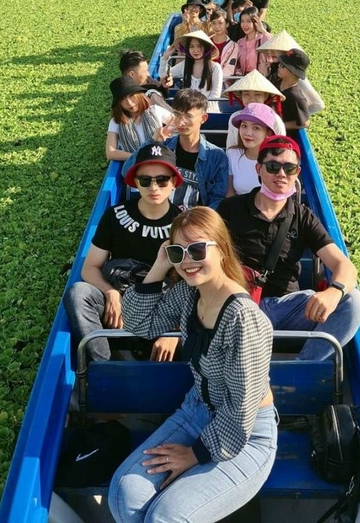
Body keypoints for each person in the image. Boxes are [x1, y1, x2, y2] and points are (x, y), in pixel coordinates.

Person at [108, 207, 276, 523]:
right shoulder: (190, 293)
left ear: (222, 250)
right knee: (124, 496)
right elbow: (140, 323)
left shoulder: (243, 319)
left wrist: (194, 454)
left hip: (246, 434)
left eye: (197, 249)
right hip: (196, 411)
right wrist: (159, 266)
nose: (187, 260)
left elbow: (241, 409)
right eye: (177, 252)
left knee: (164, 518)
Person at [217, 136, 360, 361]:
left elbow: (343, 265)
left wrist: (334, 292)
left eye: (289, 168)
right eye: (273, 166)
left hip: (289, 307)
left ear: (297, 172)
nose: (281, 174)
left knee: (353, 302)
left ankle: (303, 366)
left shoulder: (303, 216)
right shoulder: (231, 208)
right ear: (259, 169)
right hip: (241, 304)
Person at [63, 143, 184, 364]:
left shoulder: (182, 224)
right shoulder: (115, 216)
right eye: (145, 180)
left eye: (162, 180)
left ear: (174, 182)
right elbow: (89, 268)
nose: (153, 187)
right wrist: (110, 292)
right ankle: (105, 365)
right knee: (78, 293)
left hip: (163, 305)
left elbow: (193, 283)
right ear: (136, 182)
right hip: (120, 294)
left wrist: (175, 331)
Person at [148, 89, 229, 209]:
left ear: (203, 118)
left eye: (188, 116)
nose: (181, 122)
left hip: (195, 221)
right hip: (162, 215)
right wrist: (152, 142)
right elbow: (127, 170)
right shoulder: (163, 147)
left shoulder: (216, 156)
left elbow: (217, 199)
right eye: (177, 114)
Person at [106, 77, 173, 162]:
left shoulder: (156, 110)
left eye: (131, 96)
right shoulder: (116, 122)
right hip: (136, 167)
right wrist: (140, 157)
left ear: (139, 94)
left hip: (161, 160)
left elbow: (178, 124)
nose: (129, 102)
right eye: (122, 99)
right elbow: (110, 153)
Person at [159, 31, 223, 111]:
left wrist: (197, 112)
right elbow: (163, 75)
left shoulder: (215, 68)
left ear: (206, 47)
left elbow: (215, 97)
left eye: (199, 46)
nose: (195, 50)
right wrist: (165, 57)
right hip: (187, 112)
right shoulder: (185, 65)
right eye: (191, 46)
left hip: (209, 112)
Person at [226, 103, 280, 196]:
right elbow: (229, 193)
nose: (248, 133)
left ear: (268, 133)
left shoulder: (277, 159)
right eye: (244, 126)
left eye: (256, 128)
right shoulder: (232, 154)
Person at [223, 70, 286, 147]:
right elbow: (231, 146)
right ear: (241, 96)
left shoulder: (275, 119)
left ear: (265, 96)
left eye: (257, 95)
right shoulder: (235, 117)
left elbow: (280, 147)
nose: (252, 99)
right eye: (246, 94)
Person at [275, 48, 325, 130]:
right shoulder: (277, 81)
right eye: (279, 63)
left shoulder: (296, 96)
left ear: (292, 72)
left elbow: (305, 123)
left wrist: (279, 126)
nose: (278, 66)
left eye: (282, 65)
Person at [235, 7, 269, 76]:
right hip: (244, 79)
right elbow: (237, 64)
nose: (244, 25)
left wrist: (263, 30)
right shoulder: (240, 42)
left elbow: (275, 44)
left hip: (260, 79)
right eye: (242, 21)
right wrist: (238, 72)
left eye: (248, 21)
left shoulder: (262, 38)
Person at [207, 10, 239, 81]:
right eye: (214, 23)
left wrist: (215, 81)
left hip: (222, 82)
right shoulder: (205, 42)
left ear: (227, 24)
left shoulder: (233, 46)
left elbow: (229, 69)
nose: (217, 26)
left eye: (220, 23)